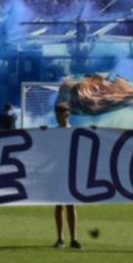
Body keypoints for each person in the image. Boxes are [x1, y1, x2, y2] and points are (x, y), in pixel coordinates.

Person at [52, 103, 81, 250]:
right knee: (59, 206)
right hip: (58, 171)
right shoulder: (54, 132)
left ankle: (74, 239)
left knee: (71, 205)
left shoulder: (74, 132)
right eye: (57, 113)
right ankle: (60, 239)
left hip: (71, 172)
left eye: (61, 113)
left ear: (67, 114)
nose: (58, 116)